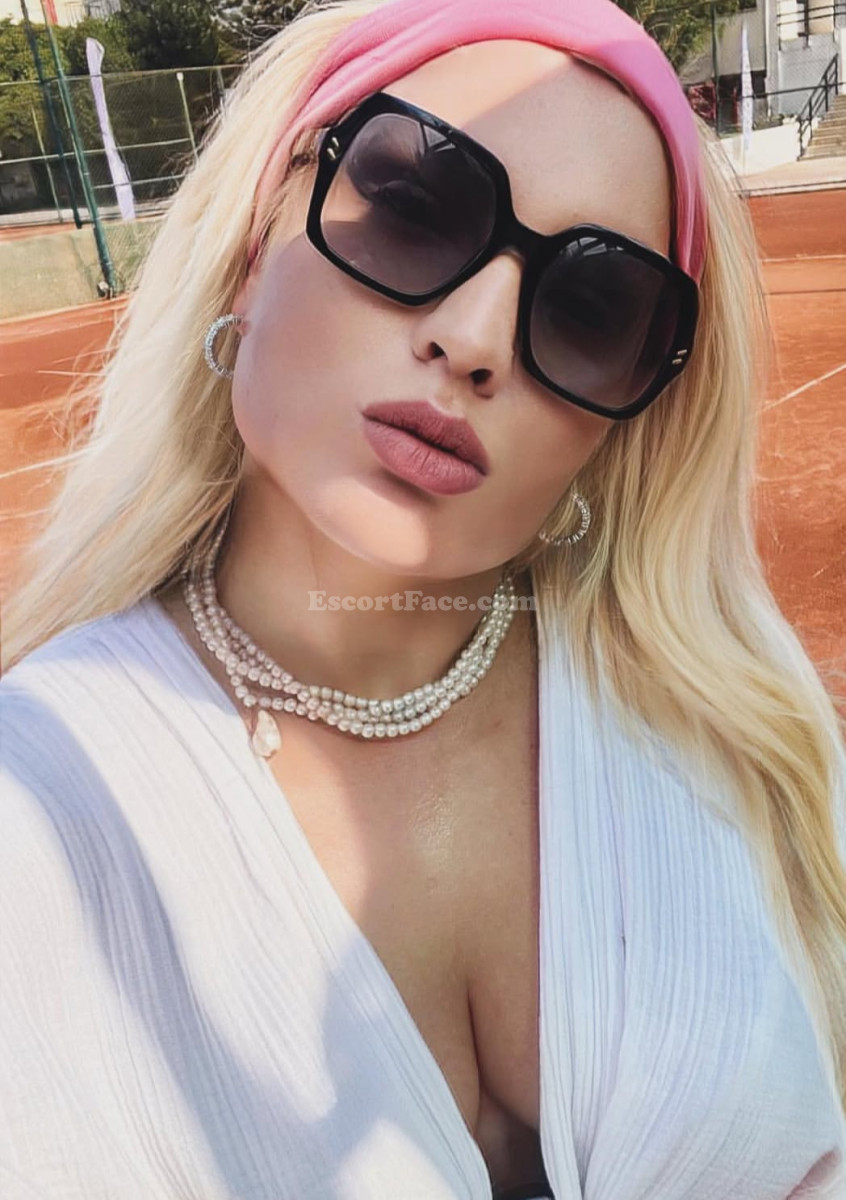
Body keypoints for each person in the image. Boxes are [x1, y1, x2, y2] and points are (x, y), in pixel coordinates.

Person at [1, 0, 845, 1196]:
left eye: (593, 308)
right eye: (413, 208)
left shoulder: (738, 739)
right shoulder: (36, 810)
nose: (474, 335)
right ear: (254, 245)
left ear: (619, 429)